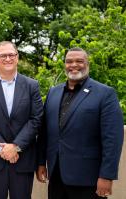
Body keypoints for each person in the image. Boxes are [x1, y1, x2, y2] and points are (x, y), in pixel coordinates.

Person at [36, 47, 124, 199]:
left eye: (79, 61)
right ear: (64, 64)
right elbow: (45, 132)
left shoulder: (105, 94)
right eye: (69, 61)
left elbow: (113, 139)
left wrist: (107, 176)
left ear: (87, 64)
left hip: (88, 179)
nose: (74, 65)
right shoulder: (53, 92)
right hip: (56, 176)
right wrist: (41, 162)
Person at [0, 41, 43, 199]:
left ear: (17, 57)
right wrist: (2, 149)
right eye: (2, 55)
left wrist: (16, 146)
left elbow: (36, 119)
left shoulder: (32, 85)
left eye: (11, 55)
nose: (7, 58)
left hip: (23, 160)